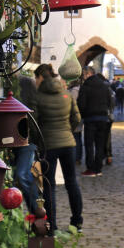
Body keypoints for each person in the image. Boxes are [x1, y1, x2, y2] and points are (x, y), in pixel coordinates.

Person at [30, 63, 83, 233]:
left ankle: (51, 225)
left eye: (35, 78)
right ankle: (77, 221)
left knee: (49, 186)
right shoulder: (66, 94)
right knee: (71, 183)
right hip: (68, 143)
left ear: (40, 77)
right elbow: (77, 117)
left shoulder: (38, 97)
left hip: (48, 146)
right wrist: (68, 130)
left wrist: (38, 141)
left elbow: (34, 124)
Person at [9, 72, 43, 216]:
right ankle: (35, 213)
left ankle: (38, 212)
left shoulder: (27, 83)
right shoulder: (7, 83)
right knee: (22, 176)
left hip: (27, 139)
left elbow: (35, 114)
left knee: (23, 175)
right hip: (11, 139)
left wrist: (32, 136)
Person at [78, 66, 114, 176]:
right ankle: (98, 168)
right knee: (100, 144)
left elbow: (81, 104)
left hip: (90, 119)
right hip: (103, 118)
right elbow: (110, 101)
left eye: (84, 75)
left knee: (89, 144)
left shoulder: (85, 86)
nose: (83, 77)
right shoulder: (104, 85)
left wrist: (83, 115)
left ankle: (90, 169)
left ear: (87, 74)